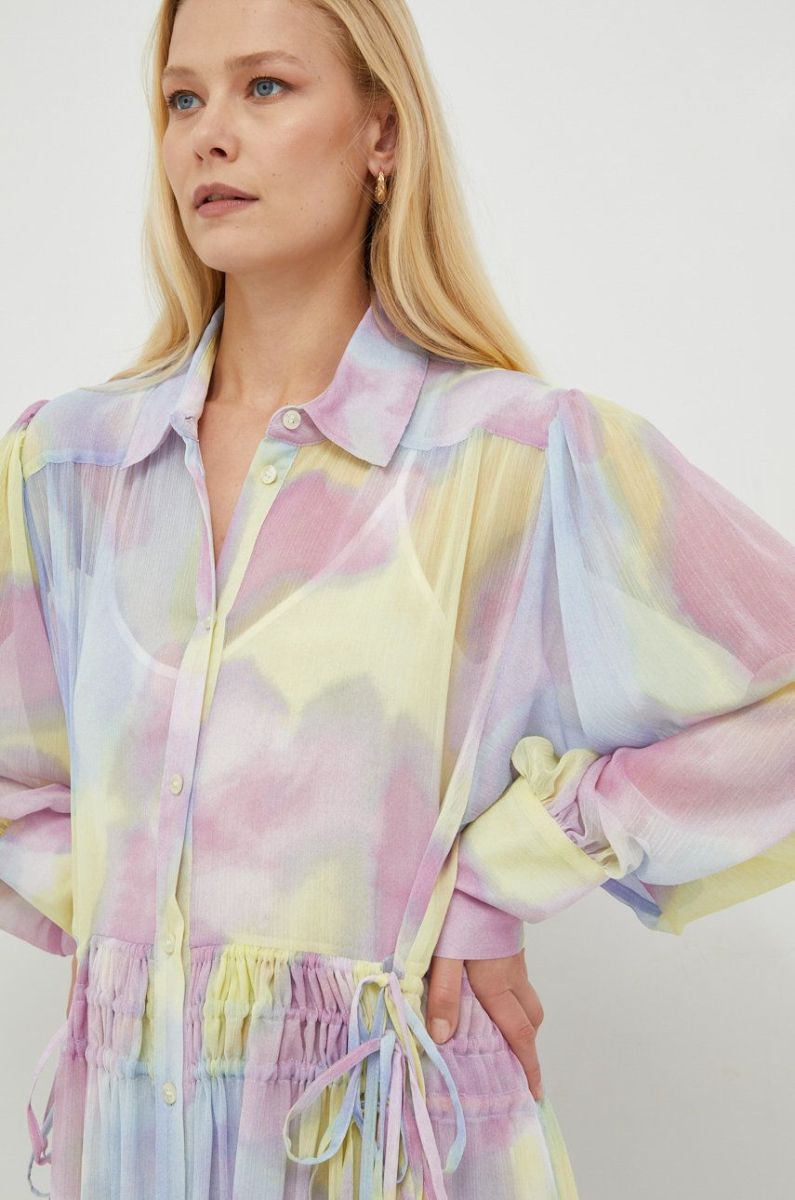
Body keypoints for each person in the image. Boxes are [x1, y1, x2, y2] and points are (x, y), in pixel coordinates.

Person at [2, 0, 793, 1197]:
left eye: (266, 87)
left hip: (397, 1140)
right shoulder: (66, 470)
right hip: (134, 1145)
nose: (210, 133)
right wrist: (149, 934)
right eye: (183, 98)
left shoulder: (520, 459)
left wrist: (501, 875)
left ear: (381, 131)